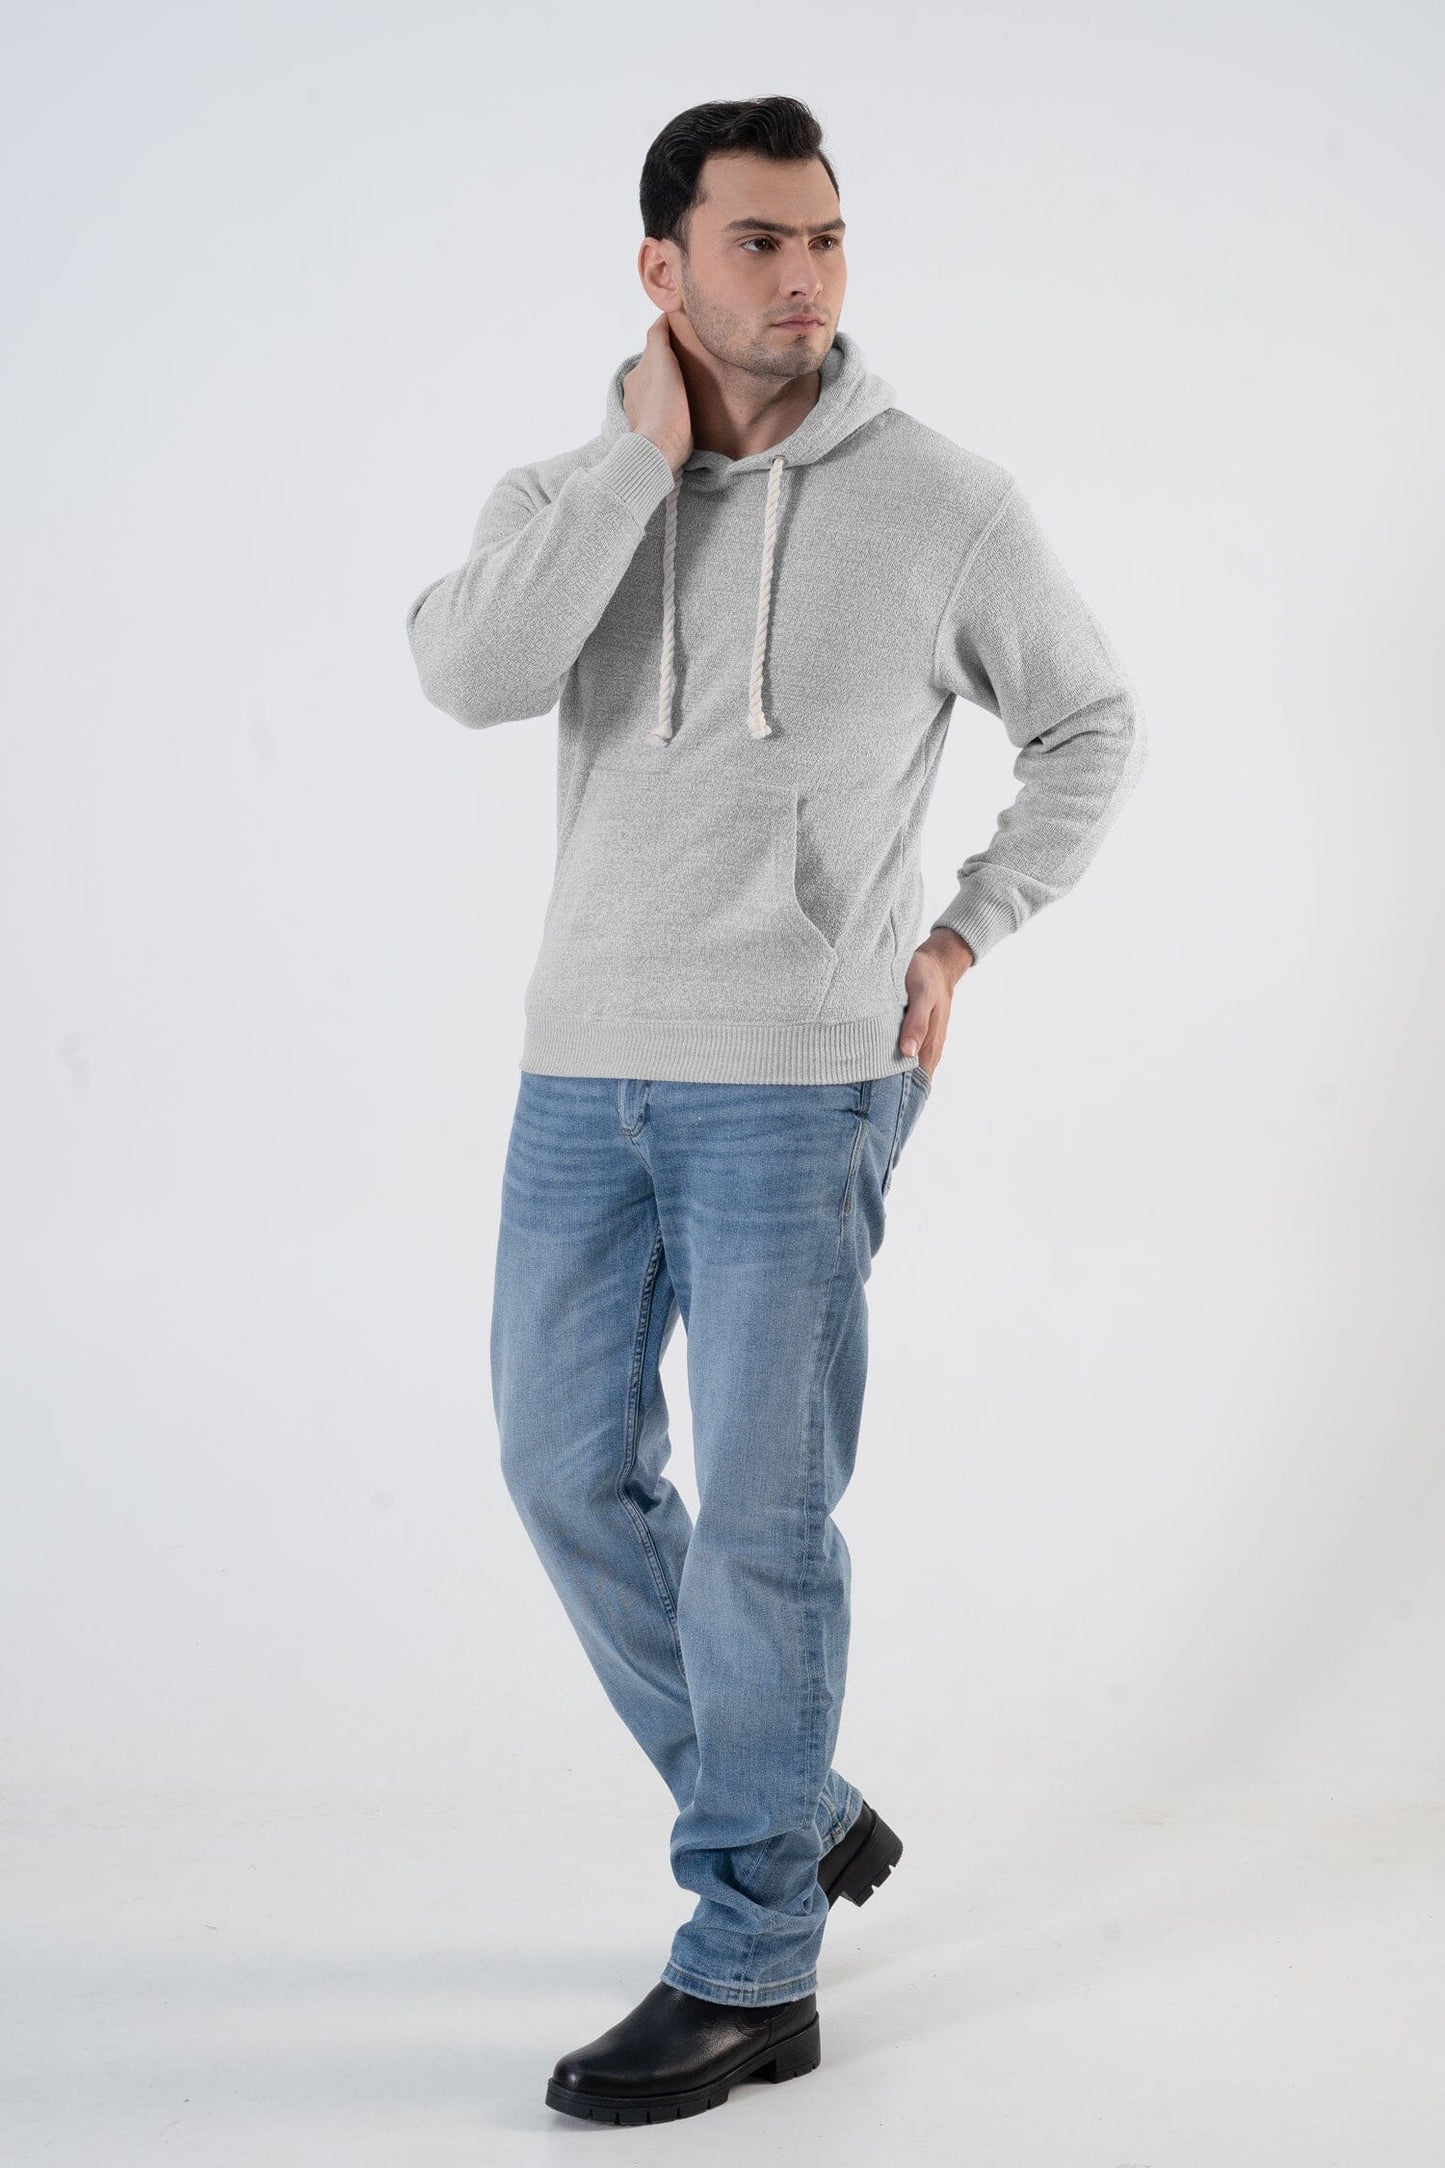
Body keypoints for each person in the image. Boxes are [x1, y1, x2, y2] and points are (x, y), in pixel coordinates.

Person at [405, 93, 1147, 2126]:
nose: (803, 278)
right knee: (561, 1468)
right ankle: (791, 1797)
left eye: (824, 239)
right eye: (757, 242)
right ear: (662, 267)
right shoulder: (568, 488)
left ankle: (750, 1954)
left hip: (801, 1083)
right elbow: (468, 673)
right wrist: (634, 467)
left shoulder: (941, 501)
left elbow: (1090, 721)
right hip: (581, 1068)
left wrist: (966, 929)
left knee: (757, 1521)